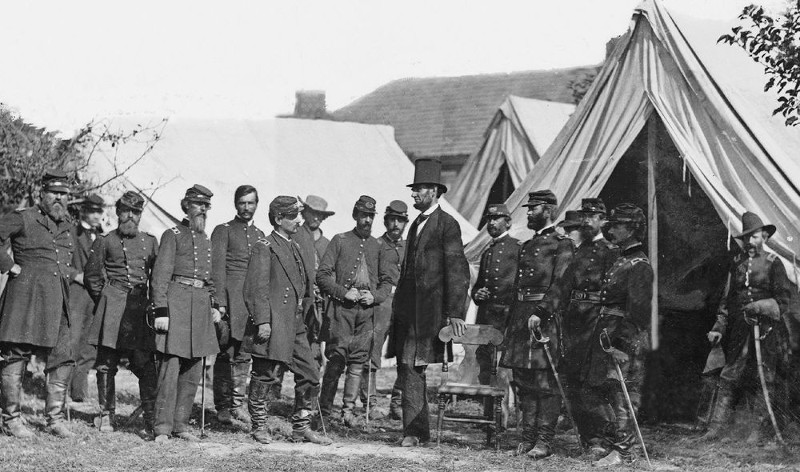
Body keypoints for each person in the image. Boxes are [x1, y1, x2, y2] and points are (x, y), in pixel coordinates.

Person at [387, 158, 470, 447]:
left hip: (428, 314)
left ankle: (414, 432)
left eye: (419, 189)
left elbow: (458, 270)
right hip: (408, 312)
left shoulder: (447, 225)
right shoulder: (415, 226)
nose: (413, 195)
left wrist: (455, 313)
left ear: (434, 191)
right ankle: (415, 431)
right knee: (407, 366)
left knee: (412, 367)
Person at [242, 196, 331, 445]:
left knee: (310, 374)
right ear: (279, 218)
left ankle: (301, 428)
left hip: (295, 324)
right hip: (272, 323)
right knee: (264, 375)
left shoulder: (295, 246)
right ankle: (259, 426)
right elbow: (255, 289)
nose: (298, 220)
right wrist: (262, 322)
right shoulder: (265, 246)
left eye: (298, 215)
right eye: (292, 216)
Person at [0, 170, 80, 437]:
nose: (59, 198)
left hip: (57, 300)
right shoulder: (22, 217)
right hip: (26, 298)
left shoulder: (68, 225)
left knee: (62, 356)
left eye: (63, 194)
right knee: (16, 356)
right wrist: (9, 266)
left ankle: (55, 419)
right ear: (41, 194)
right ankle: (11, 419)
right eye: (54, 193)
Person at [702, 212, 793, 446]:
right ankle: (716, 428)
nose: (750, 243)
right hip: (741, 329)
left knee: (764, 377)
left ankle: (759, 431)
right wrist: (719, 326)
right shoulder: (737, 264)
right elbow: (727, 300)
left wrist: (761, 306)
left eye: (754, 237)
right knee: (729, 374)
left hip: (767, 330)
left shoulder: (774, 263)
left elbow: (784, 301)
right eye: (746, 238)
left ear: (764, 237)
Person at [499, 191, 574, 458]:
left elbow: (560, 284)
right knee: (523, 381)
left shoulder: (562, 244)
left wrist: (541, 312)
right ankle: (527, 438)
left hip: (544, 320)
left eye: (534, 208)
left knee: (545, 383)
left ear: (549, 210)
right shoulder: (528, 245)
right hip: (521, 317)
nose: (528, 212)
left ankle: (544, 442)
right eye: (528, 208)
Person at [84, 191, 159, 438]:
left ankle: (151, 417)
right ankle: (107, 415)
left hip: (138, 311)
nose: (130, 217)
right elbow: (92, 278)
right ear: (118, 212)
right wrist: (107, 301)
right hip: (113, 307)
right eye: (126, 211)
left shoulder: (150, 242)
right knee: (107, 365)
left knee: (145, 365)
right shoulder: (105, 241)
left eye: (136, 212)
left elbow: (156, 278)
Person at [151, 184, 221, 442]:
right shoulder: (172, 234)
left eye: (206, 206)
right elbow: (160, 276)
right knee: (170, 370)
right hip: (177, 305)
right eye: (198, 205)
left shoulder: (206, 239)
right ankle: (162, 428)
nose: (203, 209)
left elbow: (210, 278)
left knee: (192, 371)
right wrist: (161, 310)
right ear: (186, 206)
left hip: (200, 306)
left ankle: (181, 425)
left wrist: (215, 305)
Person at [317, 195, 391, 426]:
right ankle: (324, 412)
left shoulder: (378, 246)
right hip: (342, 311)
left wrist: (375, 296)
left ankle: (347, 412)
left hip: (366, 312)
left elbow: (387, 282)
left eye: (370, 216)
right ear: (355, 216)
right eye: (363, 215)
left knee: (358, 363)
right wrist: (341, 292)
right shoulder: (340, 240)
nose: (367, 220)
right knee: (336, 360)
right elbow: (322, 275)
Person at [588, 204, 653, 467]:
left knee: (626, 394)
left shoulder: (639, 265)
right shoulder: (622, 260)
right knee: (614, 391)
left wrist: (621, 344)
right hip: (609, 331)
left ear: (632, 229)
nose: (612, 229)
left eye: (618, 225)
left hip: (626, 338)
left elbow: (637, 311)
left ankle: (624, 451)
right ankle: (616, 444)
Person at [558, 198, 620, 455]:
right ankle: (587, 437)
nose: (586, 220)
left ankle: (603, 438)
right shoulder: (578, 250)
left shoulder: (611, 251)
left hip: (596, 323)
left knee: (592, 384)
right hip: (574, 323)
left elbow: (616, 293)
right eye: (583, 216)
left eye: (592, 216)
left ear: (603, 221)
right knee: (571, 381)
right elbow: (564, 287)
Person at [210, 185, 265, 426]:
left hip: (250, 304)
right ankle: (222, 407)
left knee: (244, 356)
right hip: (230, 302)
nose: (246, 208)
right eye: (242, 203)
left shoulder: (261, 235)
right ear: (235, 204)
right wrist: (220, 303)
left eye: (251, 203)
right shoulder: (223, 231)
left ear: (256, 205)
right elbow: (217, 269)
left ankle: (237, 404)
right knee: (225, 355)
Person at [471, 203, 520, 428]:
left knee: (501, 369)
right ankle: (488, 413)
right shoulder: (488, 251)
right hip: (486, 318)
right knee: (485, 366)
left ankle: (502, 416)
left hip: (505, 318)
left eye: (497, 219)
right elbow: (479, 285)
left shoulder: (517, 248)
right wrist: (477, 294)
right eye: (489, 219)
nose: (491, 223)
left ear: (507, 222)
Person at [363, 200, 408, 421]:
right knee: (372, 353)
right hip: (381, 305)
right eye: (392, 220)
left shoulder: (409, 246)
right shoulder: (375, 245)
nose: (396, 225)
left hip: (403, 306)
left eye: (400, 221)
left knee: (404, 354)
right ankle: (369, 403)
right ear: (385, 221)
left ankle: (397, 402)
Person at [294, 195, 335, 385]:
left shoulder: (327, 244)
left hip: (319, 304)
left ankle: (309, 393)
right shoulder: (294, 236)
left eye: (321, 214)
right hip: (296, 301)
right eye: (313, 213)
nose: (316, 217)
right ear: (304, 212)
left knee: (315, 347)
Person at [68, 194, 105, 402]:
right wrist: (76, 275)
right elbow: (61, 262)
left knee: (90, 344)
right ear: (84, 211)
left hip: (94, 296)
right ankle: (62, 388)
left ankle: (78, 392)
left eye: (99, 211)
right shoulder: (72, 233)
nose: (97, 216)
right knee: (72, 340)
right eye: (93, 211)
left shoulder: (102, 236)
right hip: (76, 293)